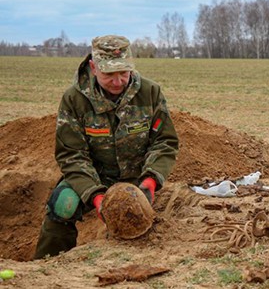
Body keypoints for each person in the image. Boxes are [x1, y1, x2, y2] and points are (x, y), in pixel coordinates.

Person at [34, 35, 179, 259]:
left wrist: (150, 182)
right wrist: (96, 196)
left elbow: (164, 142)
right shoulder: (74, 100)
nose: (118, 81)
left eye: (124, 72)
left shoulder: (150, 93)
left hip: (137, 178)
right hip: (94, 176)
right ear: (93, 67)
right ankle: (47, 266)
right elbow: (72, 155)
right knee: (63, 205)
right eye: (109, 74)